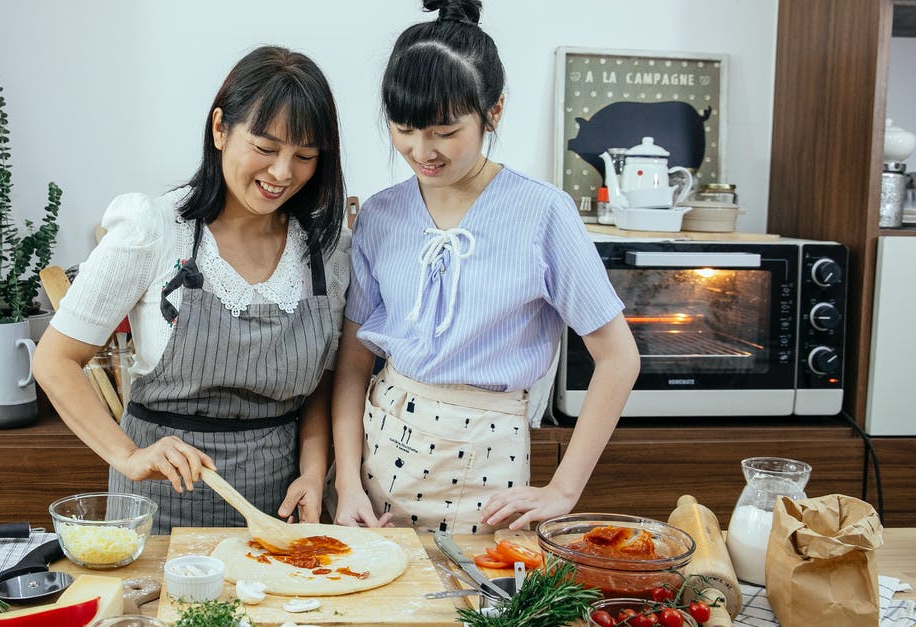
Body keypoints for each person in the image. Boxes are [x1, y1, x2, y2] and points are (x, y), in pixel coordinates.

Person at [330, 0, 640, 535]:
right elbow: (354, 363)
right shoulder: (380, 214)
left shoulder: (543, 213)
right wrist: (347, 484)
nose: (421, 150)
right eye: (403, 128)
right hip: (378, 460)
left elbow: (618, 359)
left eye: (444, 131)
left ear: (494, 111)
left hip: (487, 471)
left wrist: (565, 489)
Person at [33, 46, 350, 534]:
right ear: (220, 129)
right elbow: (54, 360)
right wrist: (130, 456)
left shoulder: (326, 250)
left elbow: (317, 386)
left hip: (278, 509)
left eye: (304, 156)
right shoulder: (154, 230)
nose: (283, 173)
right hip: (158, 506)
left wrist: (312, 471)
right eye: (265, 148)